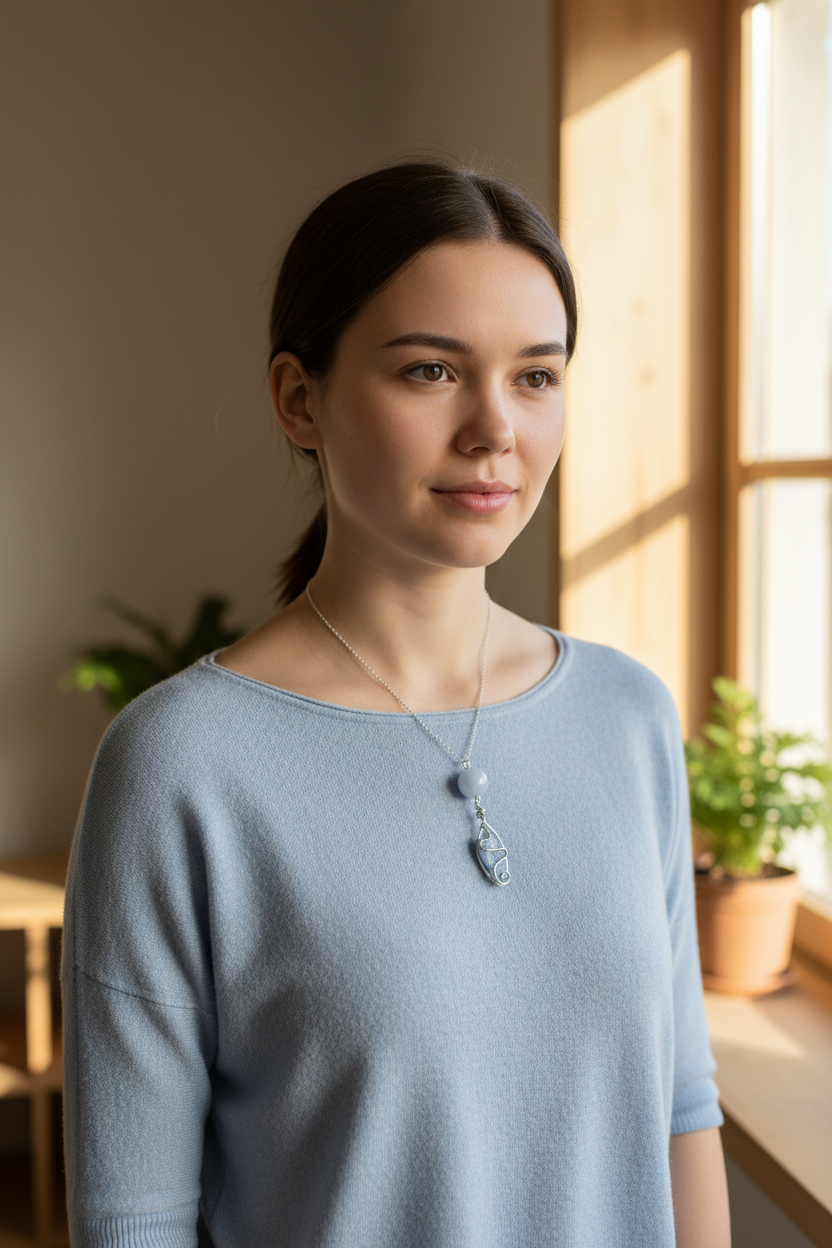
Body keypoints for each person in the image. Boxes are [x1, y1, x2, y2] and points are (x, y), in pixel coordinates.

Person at [62, 162, 730, 1247]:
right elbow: (133, 1219)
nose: (494, 431)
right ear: (299, 397)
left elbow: (677, 1112)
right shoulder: (181, 764)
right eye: (431, 371)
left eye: (536, 377)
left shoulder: (628, 716)